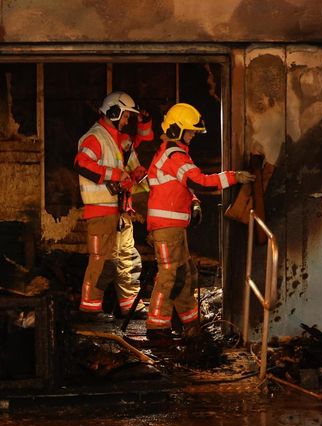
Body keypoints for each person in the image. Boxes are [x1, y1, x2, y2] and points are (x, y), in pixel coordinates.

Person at [144, 103, 255, 341]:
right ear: (176, 130)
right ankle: (157, 328)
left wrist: (192, 202)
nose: (193, 135)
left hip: (173, 227)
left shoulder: (174, 153)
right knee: (169, 275)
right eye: (190, 131)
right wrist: (234, 177)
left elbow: (180, 186)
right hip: (167, 227)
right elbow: (199, 181)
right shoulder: (174, 154)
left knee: (186, 274)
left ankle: (190, 325)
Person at [74, 91, 154, 321]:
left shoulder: (117, 139)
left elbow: (139, 145)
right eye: (126, 117)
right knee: (103, 259)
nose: (127, 121)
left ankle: (130, 305)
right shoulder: (95, 137)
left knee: (127, 256)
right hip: (101, 210)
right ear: (113, 112)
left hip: (120, 211)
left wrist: (144, 123)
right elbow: (81, 163)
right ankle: (90, 309)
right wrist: (116, 175)